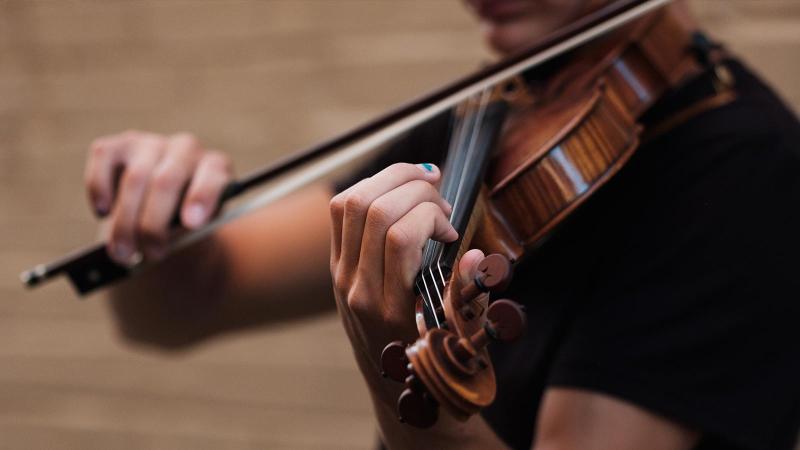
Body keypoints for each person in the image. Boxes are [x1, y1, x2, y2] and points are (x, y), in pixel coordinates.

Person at [82, 1, 800, 449]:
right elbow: (187, 306)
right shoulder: (511, 105)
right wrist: (151, 231)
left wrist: (399, 368)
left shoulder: (738, 171)